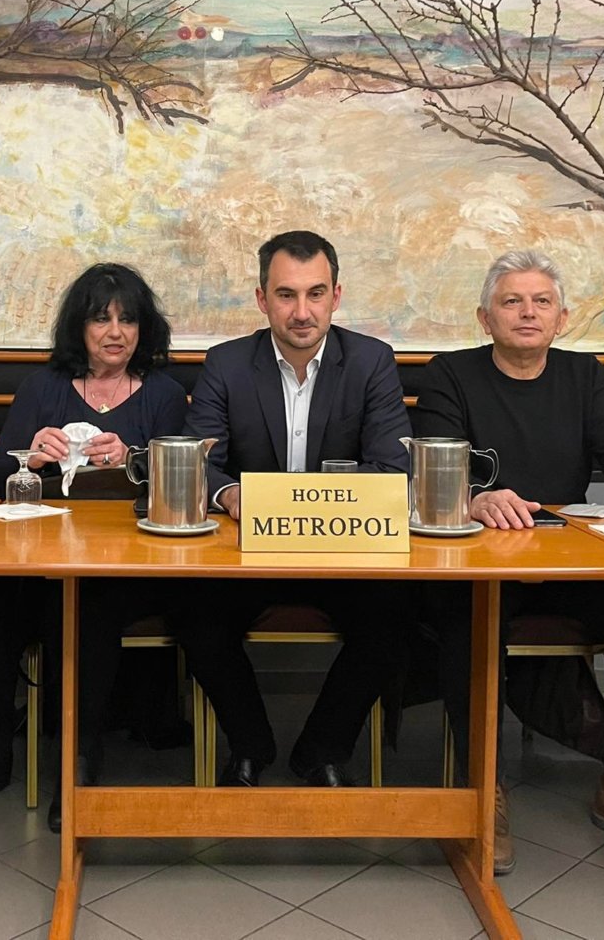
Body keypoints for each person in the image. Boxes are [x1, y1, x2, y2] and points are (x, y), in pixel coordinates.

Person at [415, 248, 604, 869]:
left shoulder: (584, 374)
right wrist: (473, 497)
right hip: (482, 559)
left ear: (562, 318)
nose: (528, 312)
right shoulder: (450, 373)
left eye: (541, 302)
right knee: (467, 627)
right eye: (512, 301)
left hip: (568, 557)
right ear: (486, 318)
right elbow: (434, 462)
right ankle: (484, 793)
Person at [0, 263, 187, 828]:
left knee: (83, 614)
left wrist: (133, 460)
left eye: (127, 320)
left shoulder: (164, 395)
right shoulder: (42, 388)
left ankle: (79, 760)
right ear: (79, 327)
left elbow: (180, 488)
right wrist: (31, 456)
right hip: (33, 559)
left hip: (123, 568)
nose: (115, 332)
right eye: (101, 319)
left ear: (144, 329)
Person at [173, 230, 412, 790]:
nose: (302, 311)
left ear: (336, 296)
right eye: (286, 295)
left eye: (315, 293)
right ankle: (250, 744)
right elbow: (199, 463)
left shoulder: (371, 362)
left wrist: (308, 501)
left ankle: (322, 749)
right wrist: (230, 495)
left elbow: (393, 468)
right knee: (192, 610)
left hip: (343, 552)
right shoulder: (228, 364)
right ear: (262, 299)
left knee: (397, 613)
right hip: (247, 552)